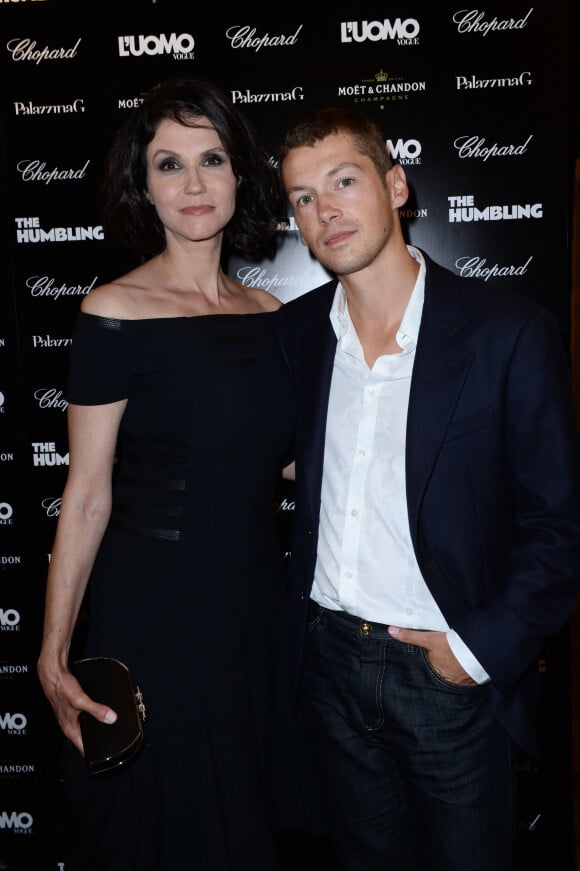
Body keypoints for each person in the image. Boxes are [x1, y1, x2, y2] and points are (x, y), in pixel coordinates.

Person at [276, 106, 580, 870]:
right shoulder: (299, 332)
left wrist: (472, 653)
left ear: (397, 185)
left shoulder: (508, 333)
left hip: (447, 678)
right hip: (331, 666)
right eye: (303, 198)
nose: (325, 211)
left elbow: (560, 526)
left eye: (344, 181)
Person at [37, 77, 297, 871]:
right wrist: (51, 652)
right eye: (168, 164)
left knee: (245, 819)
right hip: (156, 613)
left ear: (240, 174)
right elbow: (85, 496)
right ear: (143, 186)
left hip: (256, 609)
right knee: (167, 828)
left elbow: (289, 461)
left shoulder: (272, 316)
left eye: (211, 159)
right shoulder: (112, 311)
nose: (192, 184)